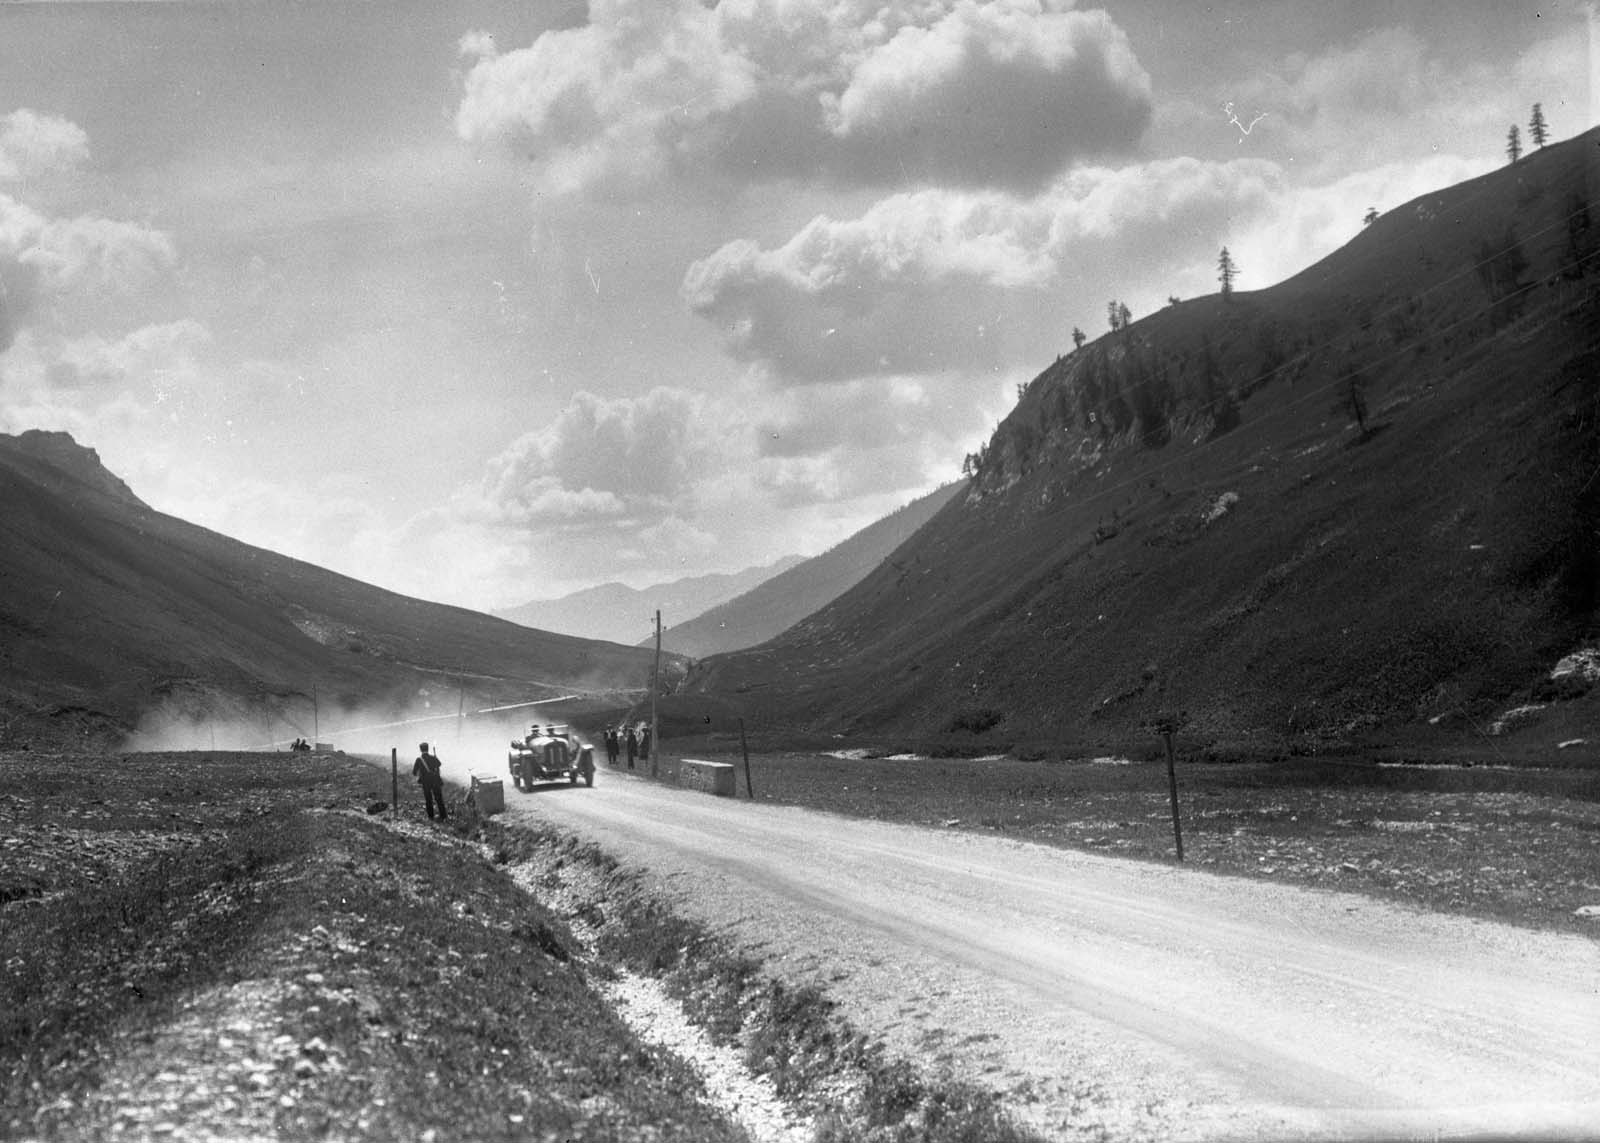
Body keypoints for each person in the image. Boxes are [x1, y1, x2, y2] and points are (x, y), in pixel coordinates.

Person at [413, 741, 447, 821]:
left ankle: (431, 817)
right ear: (428, 749)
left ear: (420, 750)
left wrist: (421, 774)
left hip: (426, 782)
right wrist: (435, 757)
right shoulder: (433, 758)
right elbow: (439, 764)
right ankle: (443, 816)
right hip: (435, 780)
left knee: (428, 800)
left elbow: (414, 772)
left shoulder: (419, 760)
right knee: (439, 799)